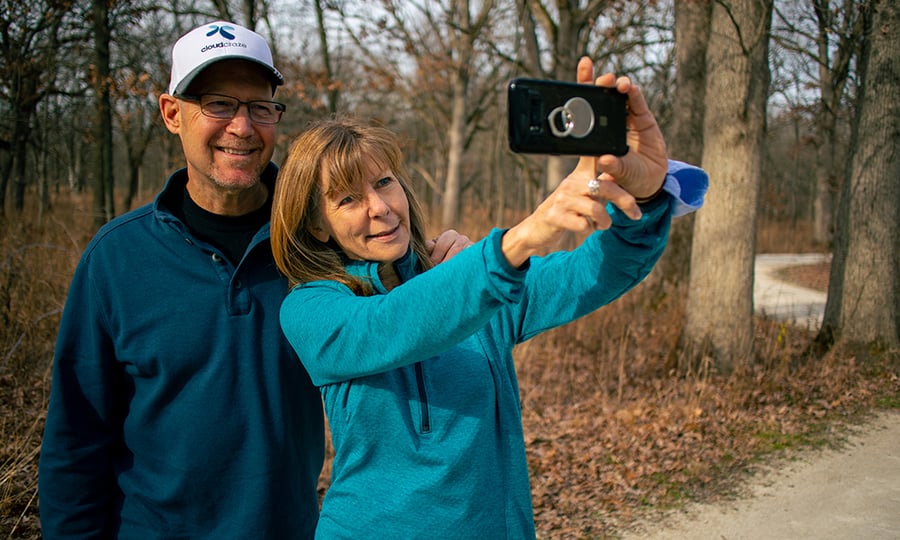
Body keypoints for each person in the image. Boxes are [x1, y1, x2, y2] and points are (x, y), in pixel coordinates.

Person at [37, 20, 469, 539]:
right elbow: (75, 442)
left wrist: (450, 269)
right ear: (172, 114)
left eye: (260, 108)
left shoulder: (323, 240)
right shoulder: (115, 261)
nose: (242, 127)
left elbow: (406, 319)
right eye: (219, 104)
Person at [270, 57, 707, 538]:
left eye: (383, 182)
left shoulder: (476, 281)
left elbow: (593, 273)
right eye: (347, 199)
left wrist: (642, 200)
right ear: (316, 224)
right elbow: (391, 324)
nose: (379, 208)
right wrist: (518, 240)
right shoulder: (311, 309)